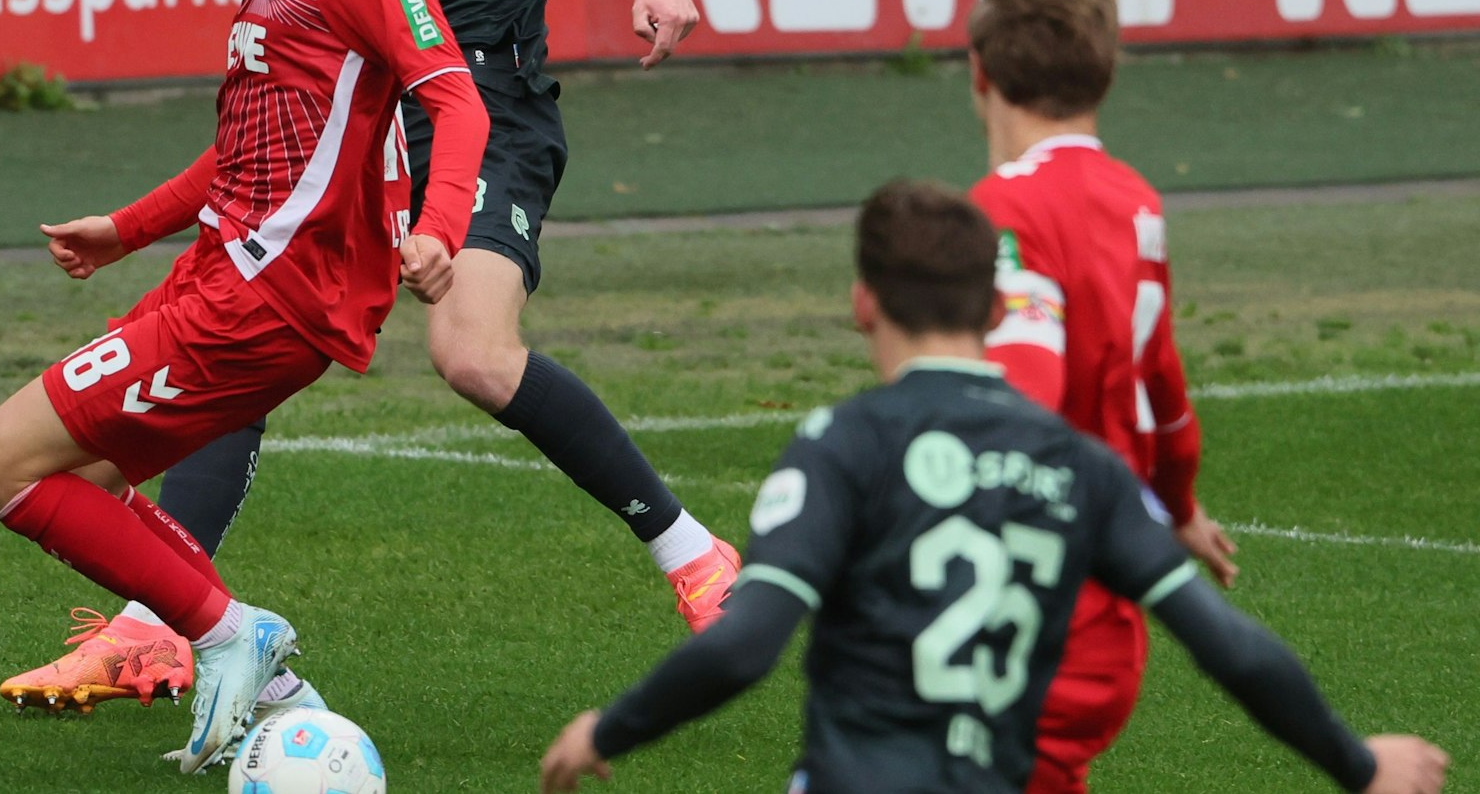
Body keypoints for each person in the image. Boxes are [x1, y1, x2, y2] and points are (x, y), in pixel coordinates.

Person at [9, 0, 740, 708]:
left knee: (472, 354)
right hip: (364, 112)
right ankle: (158, 629)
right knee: (239, 326)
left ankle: (693, 556)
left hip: (476, 104)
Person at [0, 0, 488, 773]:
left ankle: (227, 633)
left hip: (270, 293)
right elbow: (257, 142)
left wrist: (438, 229)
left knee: (3, 463)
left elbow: (459, 101)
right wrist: (130, 229)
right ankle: (274, 682)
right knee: (86, 484)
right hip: (225, 271)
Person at [538, 179, 1450, 794]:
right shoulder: (1083, 466)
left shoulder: (839, 445)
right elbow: (1231, 648)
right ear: (992, 309)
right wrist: (1357, 761)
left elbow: (743, 647)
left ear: (863, 302)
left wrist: (608, 730)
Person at [963, 0, 1242, 794]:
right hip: (1108, 613)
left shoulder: (1003, 210)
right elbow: (1163, 389)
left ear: (981, 74)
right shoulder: (1136, 202)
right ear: (1107, 72)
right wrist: (1180, 503)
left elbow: (1024, 403)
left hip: (1035, 613)